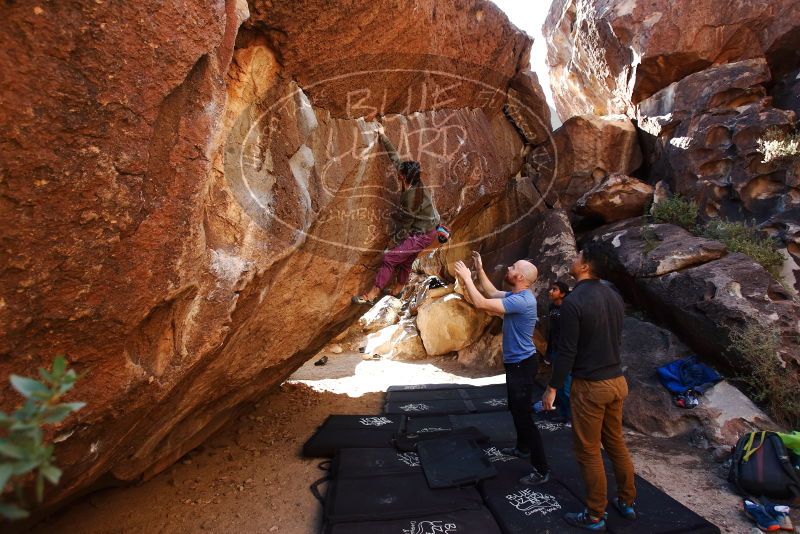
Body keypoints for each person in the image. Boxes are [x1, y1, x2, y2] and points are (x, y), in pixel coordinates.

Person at [542, 243, 637, 531]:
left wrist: (552, 388)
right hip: (617, 381)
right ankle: (627, 501)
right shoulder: (613, 295)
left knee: (588, 450)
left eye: (578, 255)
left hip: (591, 386)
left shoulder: (573, 302)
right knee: (616, 443)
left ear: (585, 266)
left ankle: (595, 513)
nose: (574, 258)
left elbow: (567, 352)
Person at [454, 251, 550, 486]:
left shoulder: (522, 301)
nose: (508, 267)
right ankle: (523, 448)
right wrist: (478, 268)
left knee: (524, 415)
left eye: (513, 266)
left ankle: (541, 469)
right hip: (517, 364)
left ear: (520, 277)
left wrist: (466, 278)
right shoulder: (516, 295)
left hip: (522, 366)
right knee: (516, 409)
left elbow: (481, 302)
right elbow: (491, 292)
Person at [352, 127, 439, 305]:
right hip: (428, 229)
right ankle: (398, 290)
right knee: (406, 261)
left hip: (422, 234)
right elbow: (395, 158)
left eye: (400, 171)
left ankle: (372, 295)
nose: (398, 170)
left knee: (390, 257)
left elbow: (406, 224)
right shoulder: (412, 178)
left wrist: (394, 242)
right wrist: (383, 135)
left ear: (402, 176)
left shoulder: (412, 198)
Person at [546, 281, 572, 424]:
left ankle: (571, 416)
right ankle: (563, 414)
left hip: (566, 352)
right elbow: (551, 331)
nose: (550, 291)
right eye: (551, 288)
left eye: (554, 289)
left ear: (562, 293)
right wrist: (549, 352)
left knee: (567, 385)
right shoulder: (551, 307)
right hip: (556, 350)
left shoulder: (569, 308)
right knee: (558, 385)